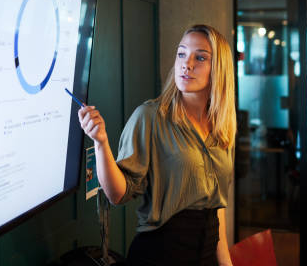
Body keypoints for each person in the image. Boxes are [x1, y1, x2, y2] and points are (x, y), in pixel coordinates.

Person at [78, 24, 235, 266]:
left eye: (200, 57)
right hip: (161, 253)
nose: (187, 63)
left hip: (206, 254)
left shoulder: (222, 127)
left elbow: (217, 206)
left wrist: (226, 264)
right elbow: (117, 195)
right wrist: (101, 143)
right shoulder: (150, 116)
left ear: (220, 69)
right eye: (181, 54)